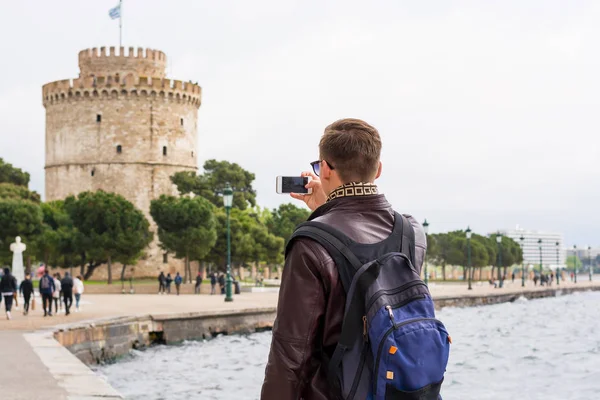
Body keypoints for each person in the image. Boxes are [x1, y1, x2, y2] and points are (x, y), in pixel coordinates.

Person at [261, 119, 427, 399]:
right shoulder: (411, 232)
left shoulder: (311, 244)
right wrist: (326, 211)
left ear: (324, 168)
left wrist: (323, 217)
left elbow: (291, 355)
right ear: (378, 170)